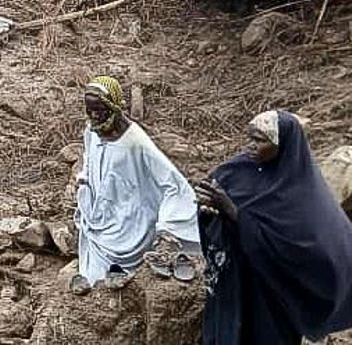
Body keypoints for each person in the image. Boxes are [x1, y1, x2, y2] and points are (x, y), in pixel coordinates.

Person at [197, 110, 352, 344]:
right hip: (237, 280)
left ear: (283, 146)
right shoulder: (238, 169)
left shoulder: (302, 193)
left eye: (260, 140)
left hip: (272, 294)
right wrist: (209, 210)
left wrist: (233, 211)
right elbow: (214, 201)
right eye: (250, 137)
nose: (250, 146)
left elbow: (309, 249)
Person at [72, 76, 199, 293]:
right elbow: (90, 158)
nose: (94, 116)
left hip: (131, 222)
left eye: (100, 110)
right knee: (93, 278)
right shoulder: (92, 130)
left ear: (114, 107)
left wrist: (166, 226)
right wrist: (84, 180)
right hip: (101, 215)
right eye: (89, 110)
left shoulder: (135, 141)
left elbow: (173, 184)